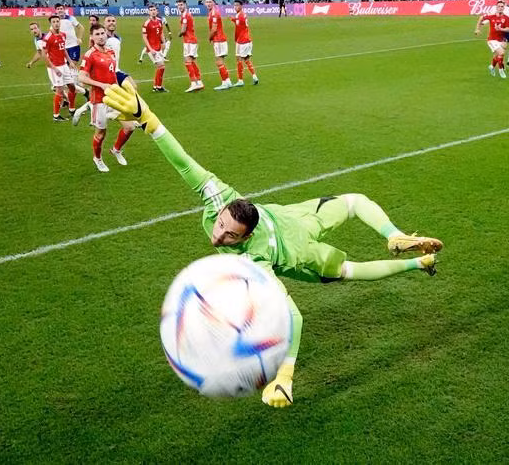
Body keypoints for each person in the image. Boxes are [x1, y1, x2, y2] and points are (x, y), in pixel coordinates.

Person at [102, 82, 443, 408]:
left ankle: (414, 260)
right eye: (221, 226)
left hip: (297, 252)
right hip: (294, 216)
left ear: (246, 237)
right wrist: (147, 117)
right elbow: (181, 159)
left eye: (230, 237)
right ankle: (395, 237)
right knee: (354, 201)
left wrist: (285, 375)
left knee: (349, 271)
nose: (218, 237)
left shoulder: (256, 259)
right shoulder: (217, 196)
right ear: (222, 210)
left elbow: (292, 315)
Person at [78, 23, 136, 172]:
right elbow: (81, 77)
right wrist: (101, 85)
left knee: (130, 127)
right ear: (92, 37)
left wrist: (119, 91)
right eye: (97, 34)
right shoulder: (90, 55)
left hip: (114, 97)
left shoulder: (111, 52)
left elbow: (113, 75)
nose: (101, 36)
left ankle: (116, 150)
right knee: (101, 133)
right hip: (99, 100)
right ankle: (97, 158)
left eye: (102, 33)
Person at [42, 15, 78, 122]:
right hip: (55, 67)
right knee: (59, 90)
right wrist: (54, 68)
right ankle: (56, 116)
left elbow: (64, 50)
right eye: (54, 22)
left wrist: (70, 61)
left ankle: (72, 109)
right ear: (51, 23)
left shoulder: (63, 35)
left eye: (57, 21)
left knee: (72, 87)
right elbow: (44, 54)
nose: (56, 23)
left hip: (64, 65)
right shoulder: (48, 38)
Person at [474, 0, 509, 79]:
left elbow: (508, 29)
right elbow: (481, 18)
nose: (500, 8)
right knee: (501, 53)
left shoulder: (506, 18)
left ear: (504, 8)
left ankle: (492, 67)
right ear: (496, 7)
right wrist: (477, 29)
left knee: (498, 55)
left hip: (501, 39)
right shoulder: (491, 16)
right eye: (499, 6)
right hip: (492, 40)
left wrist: (500, 29)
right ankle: (501, 71)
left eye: (502, 6)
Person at [204, 0, 232, 90]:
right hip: (221, 39)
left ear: (214, 3)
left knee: (219, 62)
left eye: (210, 2)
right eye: (207, 2)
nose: (208, 4)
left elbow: (214, 29)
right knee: (221, 62)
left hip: (219, 39)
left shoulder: (214, 13)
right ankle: (228, 81)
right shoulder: (212, 12)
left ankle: (224, 82)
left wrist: (209, 38)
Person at [177, 0, 204, 92]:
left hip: (189, 40)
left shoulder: (185, 15)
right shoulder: (187, 14)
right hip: (192, 40)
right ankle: (199, 82)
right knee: (192, 61)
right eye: (178, 5)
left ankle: (193, 83)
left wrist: (179, 34)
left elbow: (183, 30)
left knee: (187, 61)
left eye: (181, 5)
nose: (180, 7)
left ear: (185, 5)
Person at [230, 0, 258, 86]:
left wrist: (235, 39)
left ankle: (240, 80)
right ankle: (254, 76)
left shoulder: (240, 16)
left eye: (237, 5)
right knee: (246, 59)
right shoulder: (242, 15)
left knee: (239, 59)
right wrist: (234, 20)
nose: (235, 7)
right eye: (234, 5)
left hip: (242, 41)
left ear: (241, 6)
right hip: (248, 40)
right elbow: (240, 24)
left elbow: (238, 29)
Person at [142, 4, 167, 92]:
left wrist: (163, 42)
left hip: (158, 47)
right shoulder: (146, 23)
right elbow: (144, 37)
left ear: (157, 11)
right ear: (148, 12)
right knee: (161, 66)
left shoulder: (160, 21)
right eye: (151, 10)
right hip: (152, 49)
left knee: (161, 67)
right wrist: (150, 49)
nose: (153, 11)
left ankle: (157, 86)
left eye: (154, 10)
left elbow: (161, 32)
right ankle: (157, 86)